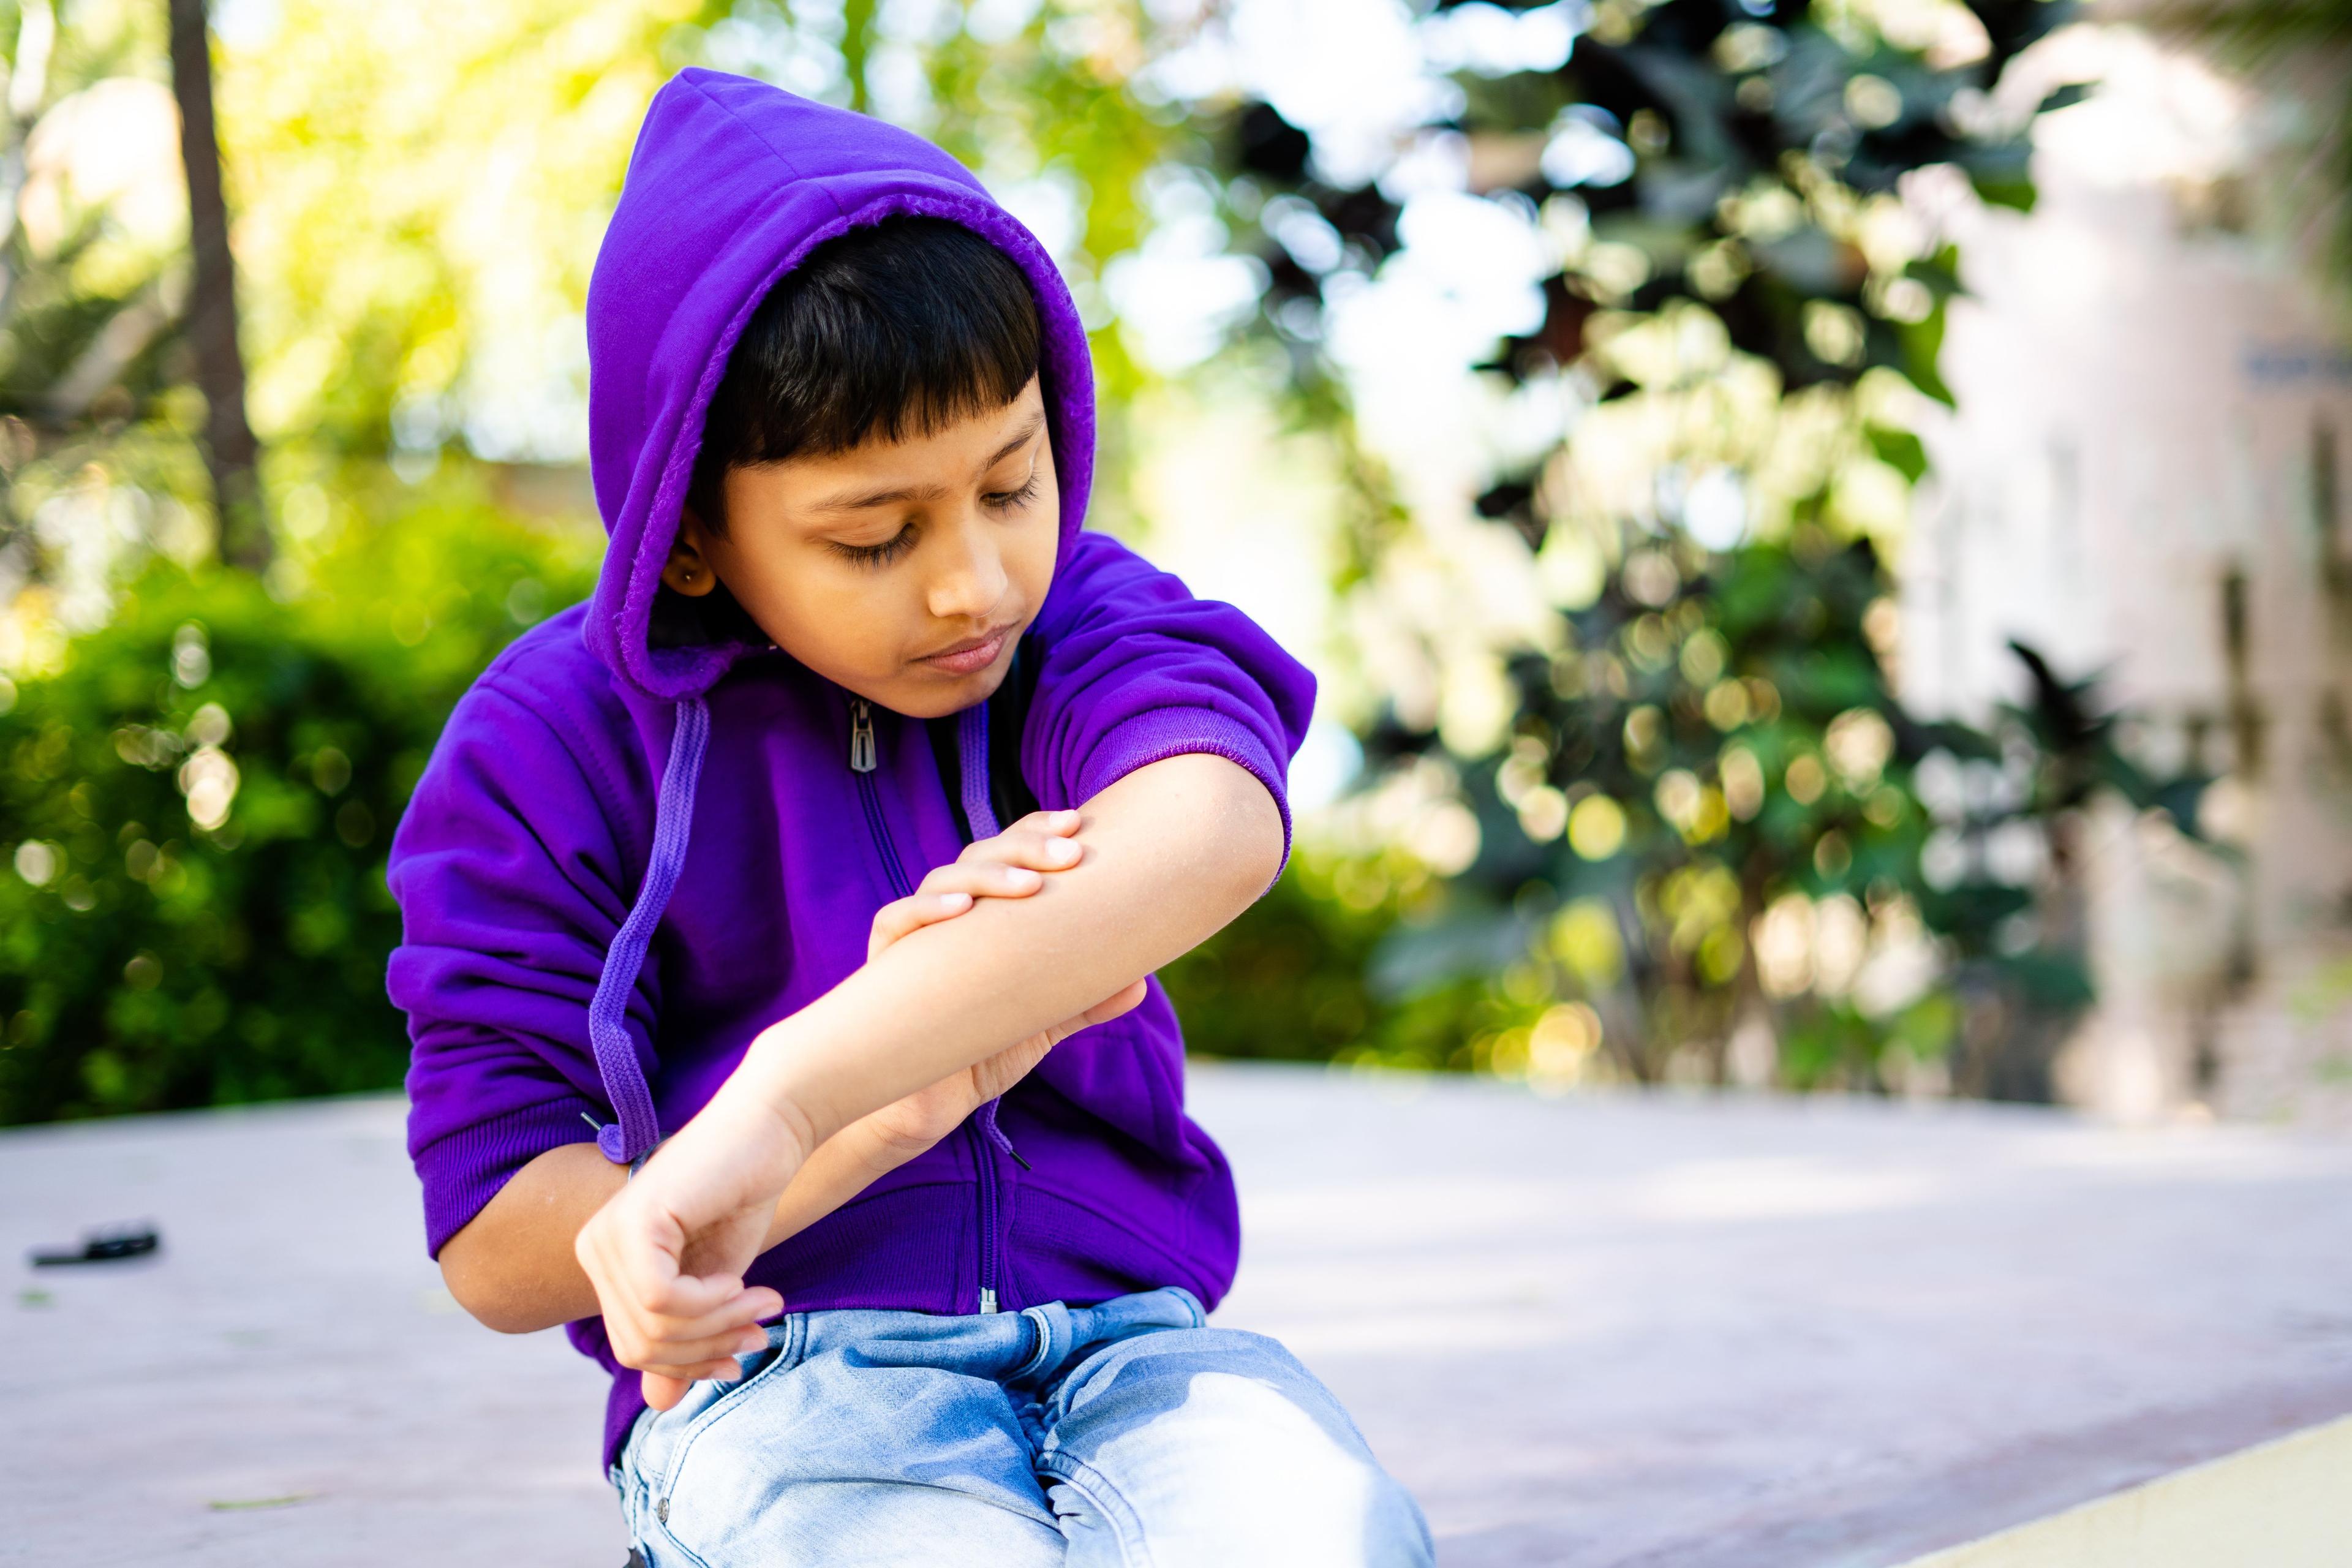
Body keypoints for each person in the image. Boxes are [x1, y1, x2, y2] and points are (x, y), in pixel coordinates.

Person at [386, 69, 1433, 1567]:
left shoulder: (1075, 615)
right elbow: (495, 1235)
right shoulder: (547, 746)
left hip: (1144, 1349)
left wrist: (793, 1086)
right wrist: (851, 1124)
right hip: (784, 1379)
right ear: (689, 531)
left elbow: (1210, 821)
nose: (975, 584)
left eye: (1014, 482)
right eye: (876, 535)